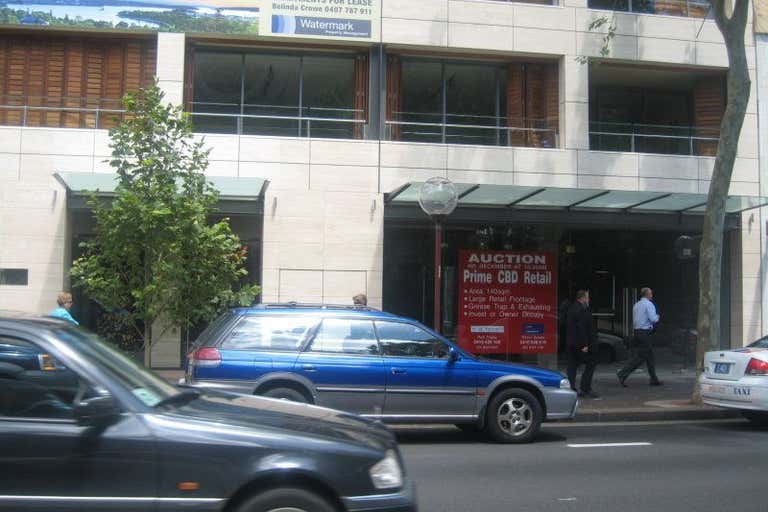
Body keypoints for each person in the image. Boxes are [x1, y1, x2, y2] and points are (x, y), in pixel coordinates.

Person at [617, 287, 663, 387]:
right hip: (645, 333)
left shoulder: (636, 305)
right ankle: (622, 373)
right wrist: (658, 316)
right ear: (646, 295)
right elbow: (653, 319)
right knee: (641, 357)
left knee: (649, 356)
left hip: (638, 331)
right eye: (650, 294)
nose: (652, 295)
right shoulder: (649, 304)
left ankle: (654, 379)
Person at [566, 290, 599, 398]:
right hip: (580, 344)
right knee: (591, 362)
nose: (588, 300)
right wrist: (585, 344)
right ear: (582, 298)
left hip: (571, 343)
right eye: (587, 298)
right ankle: (585, 388)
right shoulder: (582, 310)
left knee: (572, 366)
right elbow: (582, 329)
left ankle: (570, 387)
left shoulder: (571, 309)